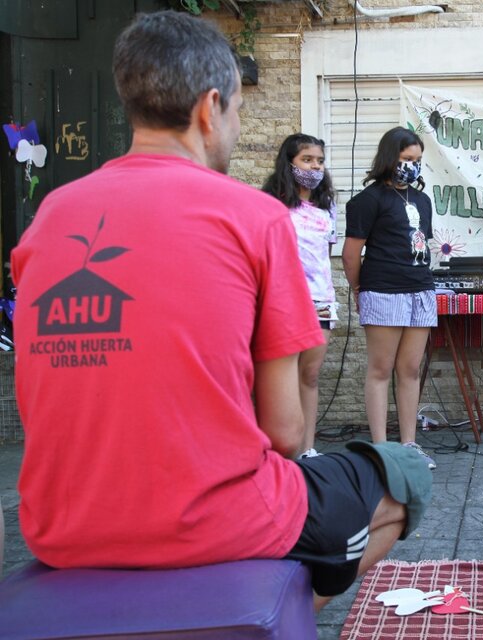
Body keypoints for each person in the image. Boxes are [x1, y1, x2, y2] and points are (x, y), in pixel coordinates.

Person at [11, 11, 430, 610]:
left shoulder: (51, 214)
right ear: (210, 108)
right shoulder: (253, 217)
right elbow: (286, 435)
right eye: (237, 110)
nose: (235, 126)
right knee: (407, 478)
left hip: (60, 526)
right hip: (217, 519)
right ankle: (264, 617)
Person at [342, 126, 438, 470]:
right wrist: (358, 289)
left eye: (417, 160)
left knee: (410, 370)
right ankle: (381, 450)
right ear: (389, 158)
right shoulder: (368, 201)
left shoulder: (423, 200)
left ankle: (409, 444)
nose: (412, 165)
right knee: (381, 370)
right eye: (406, 159)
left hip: (420, 290)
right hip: (383, 290)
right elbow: (351, 253)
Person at [263, 133, 338, 458]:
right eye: (307, 160)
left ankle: (308, 448)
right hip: (284, 303)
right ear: (289, 162)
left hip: (321, 302)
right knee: (282, 378)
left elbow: (325, 252)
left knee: (309, 375)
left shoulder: (327, 207)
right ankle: (280, 450)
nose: (315, 167)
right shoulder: (271, 205)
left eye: (319, 161)